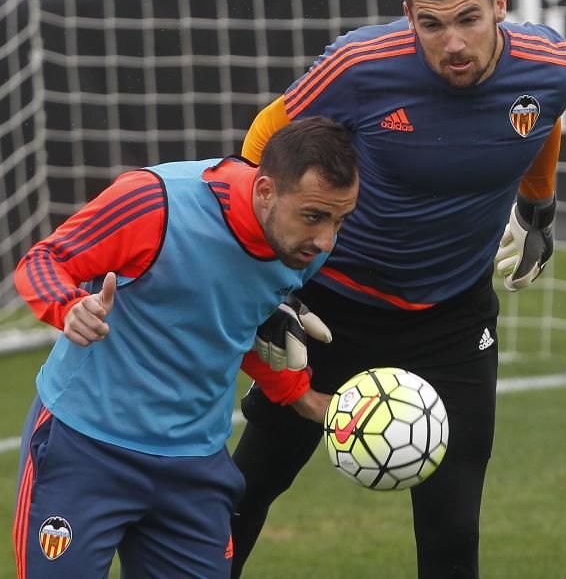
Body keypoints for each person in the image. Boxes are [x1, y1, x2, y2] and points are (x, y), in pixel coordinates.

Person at [230, 0, 566, 578]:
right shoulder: (359, 67)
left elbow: (545, 118)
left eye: (469, 19)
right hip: (333, 309)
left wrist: (538, 207)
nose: (453, 43)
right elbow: (263, 140)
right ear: (408, 15)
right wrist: (262, 276)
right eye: (432, 24)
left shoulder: (550, 65)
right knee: (244, 493)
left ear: (499, 4)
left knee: (453, 531)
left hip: (453, 317)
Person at [12, 117, 359, 579]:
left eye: (340, 220)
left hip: (195, 467)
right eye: (314, 217)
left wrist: (301, 396)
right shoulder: (154, 202)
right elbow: (43, 259)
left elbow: (241, 324)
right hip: (85, 448)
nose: (325, 240)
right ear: (265, 191)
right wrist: (69, 305)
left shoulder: (307, 246)